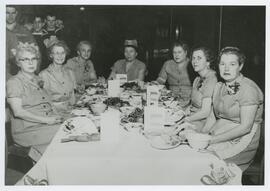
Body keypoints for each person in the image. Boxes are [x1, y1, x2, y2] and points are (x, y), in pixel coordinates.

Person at [202, 47, 264, 171]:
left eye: (232, 64)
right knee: (195, 153)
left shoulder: (248, 89)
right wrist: (202, 136)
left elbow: (245, 127)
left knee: (205, 162)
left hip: (242, 141)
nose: (226, 68)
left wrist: (211, 140)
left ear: (240, 66)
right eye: (222, 64)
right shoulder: (219, 86)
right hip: (220, 134)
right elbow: (212, 116)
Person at [6, 43, 62, 161]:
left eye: (33, 59)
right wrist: (47, 120)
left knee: (75, 124)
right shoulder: (14, 82)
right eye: (25, 59)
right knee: (67, 131)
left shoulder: (38, 79)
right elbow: (18, 112)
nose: (30, 63)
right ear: (18, 62)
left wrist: (56, 116)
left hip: (42, 126)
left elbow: (47, 103)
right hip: (27, 130)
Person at [184, 47, 217, 131]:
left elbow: (205, 112)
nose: (195, 61)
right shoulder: (197, 79)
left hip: (203, 122)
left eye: (199, 58)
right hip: (193, 117)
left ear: (208, 62)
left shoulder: (211, 79)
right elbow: (193, 103)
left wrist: (186, 120)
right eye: (193, 58)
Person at [39, 41, 76, 112]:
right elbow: (43, 102)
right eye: (57, 53)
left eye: (62, 53)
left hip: (70, 111)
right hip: (53, 113)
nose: (60, 56)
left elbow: (72, 97)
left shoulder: (70, 72)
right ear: (51, 55)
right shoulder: (44, 75)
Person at [6, 5, 36, 79]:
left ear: (16, 13)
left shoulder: (25, 31)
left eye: (13, 13)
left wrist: (32, 75)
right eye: (7, 13)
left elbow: (36, 53)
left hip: (20, 76)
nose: (10, 16)